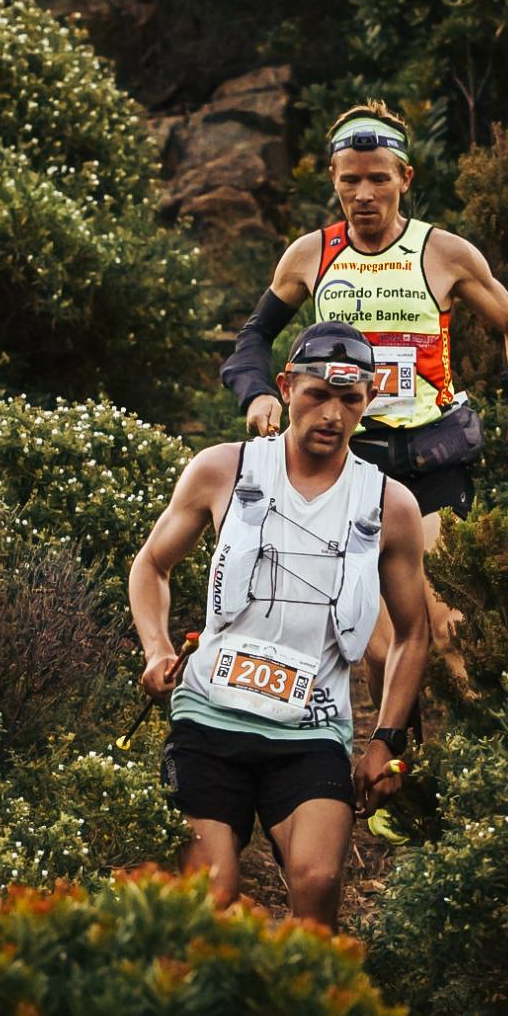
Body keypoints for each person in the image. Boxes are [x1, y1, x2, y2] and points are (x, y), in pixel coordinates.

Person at [221, 99, 508, 692]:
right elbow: (254, 338)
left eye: (379, 179)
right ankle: (390, 748)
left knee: (446, 628)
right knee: (377, 647)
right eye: (350, 180)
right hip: (351, 464)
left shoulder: (444, 253)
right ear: (334, 178)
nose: (364, 195)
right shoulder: (310, 255)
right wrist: (257, 395)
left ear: (405, 178)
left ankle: (477, 746)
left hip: (432, 458)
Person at [129, 321, 428, 931]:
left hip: (312, 730)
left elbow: (413, 632)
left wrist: (386, 740)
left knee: (318, 885)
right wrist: (156, 650)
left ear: (370, 399)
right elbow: (151, 566)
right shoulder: (223, 469)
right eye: (317, 394)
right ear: (287, 387)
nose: (332, 415)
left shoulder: (389, 505)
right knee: (207, 899)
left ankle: (303, 991)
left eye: (350, 399)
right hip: (209, 719)